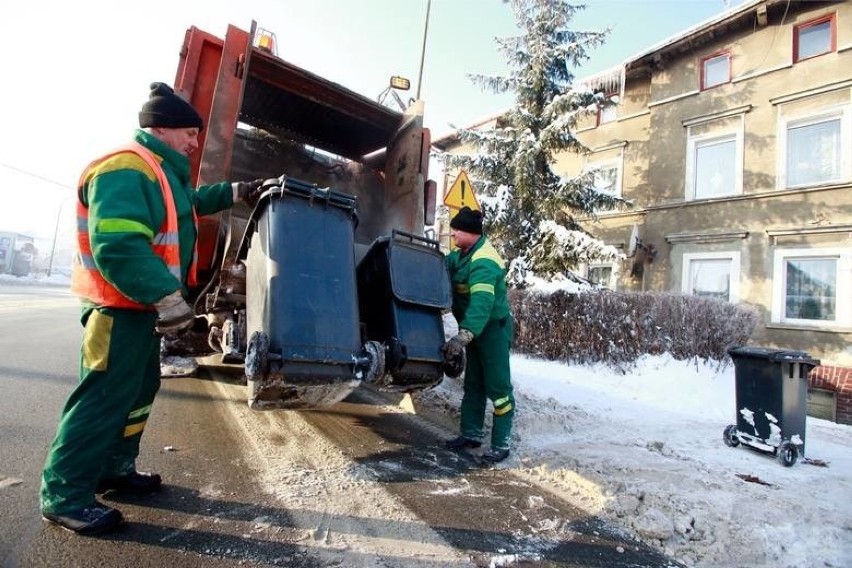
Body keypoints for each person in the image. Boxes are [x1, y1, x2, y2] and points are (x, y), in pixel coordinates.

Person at [40, 82, 265, 535]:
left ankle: (114, 470)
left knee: (138, 393)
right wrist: (168, 299)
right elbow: (119, 246)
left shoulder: (162, 173)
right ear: (160, 127)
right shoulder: (125, 168)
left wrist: (239, 190)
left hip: (139, 314)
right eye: (189, 132)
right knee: (102, 400)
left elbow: (190, 204)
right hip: (118, 311)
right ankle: (64, 496)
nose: (195, 141)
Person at [442, 206, 515, 465]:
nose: (452, 235)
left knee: (498, 387)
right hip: (475, 330)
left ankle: (500, 445)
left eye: (456, 230)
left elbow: (481, 304)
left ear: (470, 233)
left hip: (493, 330)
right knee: (474, 384)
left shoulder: (484, 260)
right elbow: (444, 265)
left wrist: (463, 336)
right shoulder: (462, 254)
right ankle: (471, 434)